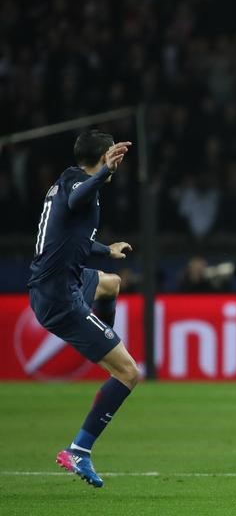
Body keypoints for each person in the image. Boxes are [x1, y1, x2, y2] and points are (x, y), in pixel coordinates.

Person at [27, 130, 137, 488]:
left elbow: (74, 240)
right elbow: (78, 202)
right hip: (59, 296)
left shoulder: (66, 180)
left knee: (111, 283)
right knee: (129, 373)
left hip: (62, 280)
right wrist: (104, 172)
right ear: (104, 156)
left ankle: (104, 345)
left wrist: (107, 251)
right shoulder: (81, 188)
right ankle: (80, 450)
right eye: (110, 154)